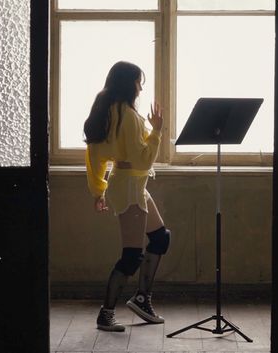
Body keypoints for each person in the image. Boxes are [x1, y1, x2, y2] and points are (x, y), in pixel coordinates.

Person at [83, 61, 171, 332]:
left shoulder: (108, 111)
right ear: (127, 84)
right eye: (138, 81)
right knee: (131, 256)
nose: (141, 87)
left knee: (160, 237)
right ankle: (106, 313)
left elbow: (95, 157)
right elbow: (143, 161)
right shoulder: (128, 116)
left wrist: (99, 190)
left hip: (129, 185)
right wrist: (157, 131)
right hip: (131, 187)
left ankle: (142, 299)